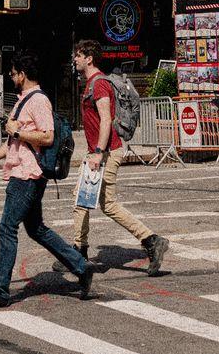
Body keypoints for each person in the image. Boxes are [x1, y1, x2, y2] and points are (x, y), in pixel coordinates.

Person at [0, 51, 93, 310]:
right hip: (21, 171)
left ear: (22, 74)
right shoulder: (23, 100)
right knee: (35, 228)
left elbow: (47, 137)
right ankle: (82, 267)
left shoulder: (38, 101)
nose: (12, 78)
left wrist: (20, 131)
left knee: (7, 228)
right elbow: (14, 141)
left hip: (27, 174)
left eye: (14, 74)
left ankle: (1, 290)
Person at [72, 38, 168, 275]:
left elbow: (106, 119)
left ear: (89, 58)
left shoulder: (99, 84)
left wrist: (98, 153)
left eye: (77, 55)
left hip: (106, 152)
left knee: (107, 204)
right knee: (83, 199)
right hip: (98, 151)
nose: (74, 59)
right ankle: (79, 250)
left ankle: (151, 240)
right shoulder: (91, 83)